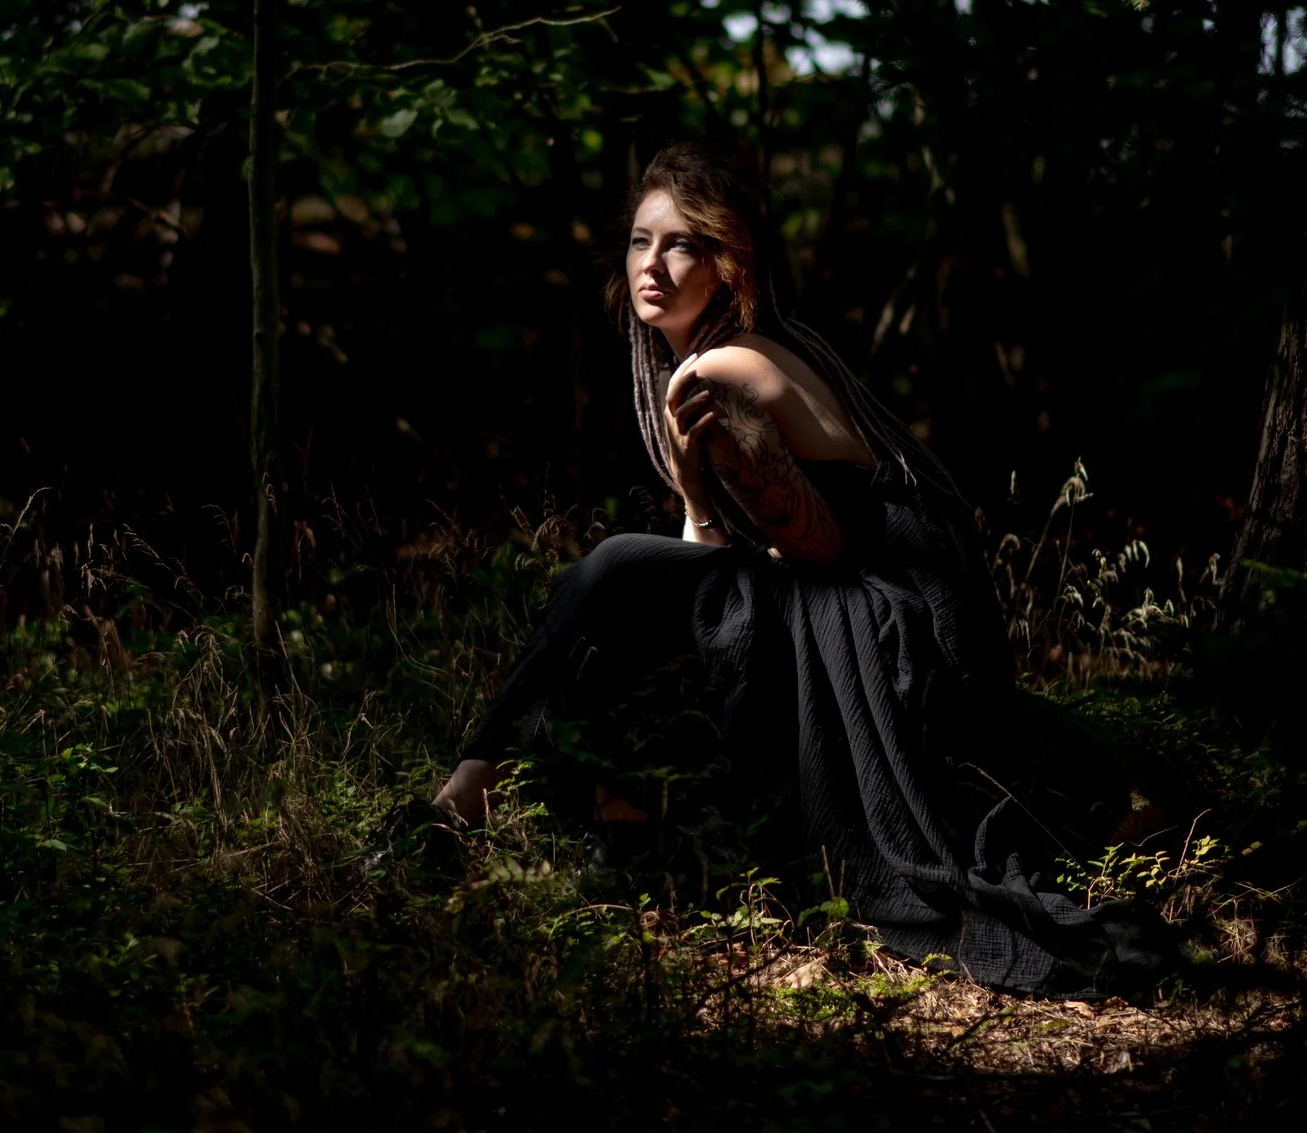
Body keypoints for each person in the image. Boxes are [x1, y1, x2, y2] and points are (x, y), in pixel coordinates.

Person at [429, 142, 1167, 999]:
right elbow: (713, 554)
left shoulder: (721, 367)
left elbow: (823, 546)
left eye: (682, 245)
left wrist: (700, 509)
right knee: (627, 583)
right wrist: (694, 493)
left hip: (878, 603)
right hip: (852, 589)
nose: (652, 265)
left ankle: (467, 798)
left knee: (611, 569)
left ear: (729, 264)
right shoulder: (717, 356)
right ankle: (581, 810)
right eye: (640, 241)